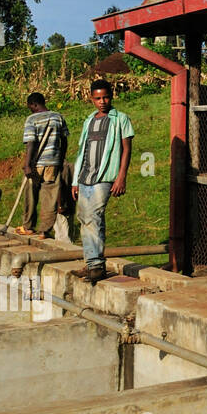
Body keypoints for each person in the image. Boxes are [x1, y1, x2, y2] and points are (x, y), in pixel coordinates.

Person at [71, 79, 134, 283]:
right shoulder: (89, 121)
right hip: (85, 177)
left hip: (105, 176)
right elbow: (82, 150)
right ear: (91, 99)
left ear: (112, 95)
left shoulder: (120, 119)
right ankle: (92, 263)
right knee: (84, 218)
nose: (102, 101)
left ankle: (96, 266)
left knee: (94, 216)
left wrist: (121, 176)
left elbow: (127, 149)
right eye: (98, 98)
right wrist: (75, 180)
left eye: (105, 97)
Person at [16, 91, 68, 238]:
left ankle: (28, 226)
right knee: (50, 197)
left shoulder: (31, 119)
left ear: (34, 104)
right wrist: (61, 159)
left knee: (30, 195)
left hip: (36, 164)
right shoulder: (58, 117)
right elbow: (64, 141)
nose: (30, 109)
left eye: (29, 106)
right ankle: (44, 230)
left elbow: (31, 143)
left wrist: (27, 165)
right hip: (53, 163)